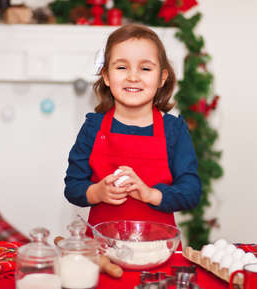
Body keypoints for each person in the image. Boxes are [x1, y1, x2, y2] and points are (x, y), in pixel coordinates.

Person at [64, 24, 201, 227]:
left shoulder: (173, 130)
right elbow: (73, 187)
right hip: (103, 251)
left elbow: (191, 192)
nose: (133, 77)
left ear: (162, 78)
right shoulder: (93, 128)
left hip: (158, 250)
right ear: (107, 76)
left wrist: (150, 194)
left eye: (145, 68)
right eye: (121, 67)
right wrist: (97, 192)